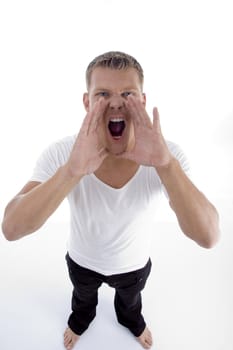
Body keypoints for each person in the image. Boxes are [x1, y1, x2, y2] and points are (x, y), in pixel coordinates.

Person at [1, 51, 220, 350]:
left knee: (130, 306)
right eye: (103, 93)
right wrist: (71, 172)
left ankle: (132, 321)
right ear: (87, 102)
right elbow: (11, 228)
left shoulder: (168, 155)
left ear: (142, 101)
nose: (116, 102)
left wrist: (165, 166)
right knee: (82, 302)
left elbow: (208, 235)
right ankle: (80, 321)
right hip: (81, 262)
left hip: (134, 267)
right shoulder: (63, 153)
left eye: (127, 93)